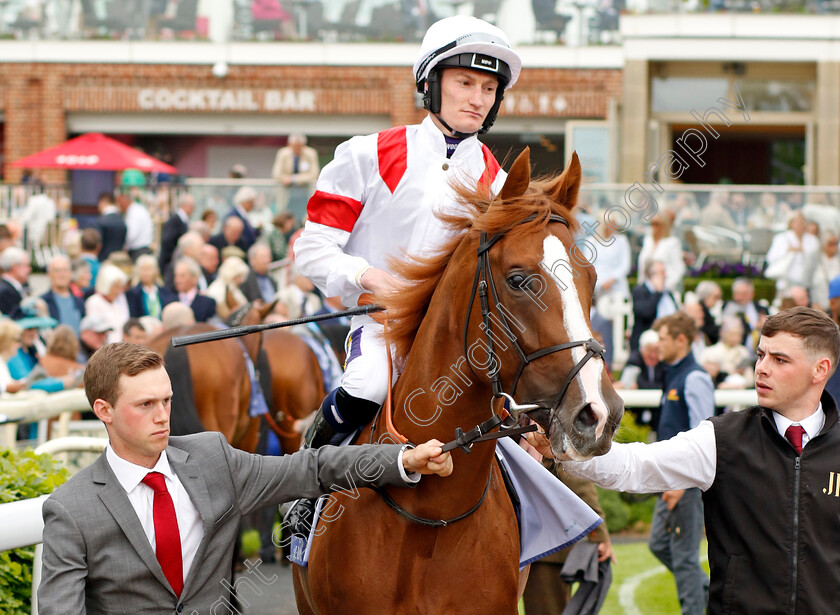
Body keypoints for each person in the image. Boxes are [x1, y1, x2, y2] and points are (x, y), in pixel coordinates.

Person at [38, 342, 453, 614]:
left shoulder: (212, 458)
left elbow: (309, 469)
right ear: (103, 410)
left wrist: (404, 459)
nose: (163, 415)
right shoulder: (71, 510)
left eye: (166, 400)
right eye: (145, 404)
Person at [294, 15, 520, 448]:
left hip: (463, 339)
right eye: (465, 83)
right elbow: (312, 248)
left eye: (489, 89)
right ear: (430, 84)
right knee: (367, 388)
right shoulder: (365, 154)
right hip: (383, 327)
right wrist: (368, 277)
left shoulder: (501, 185)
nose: (478, 99)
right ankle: (310, 480)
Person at [528, 306, 840, 614]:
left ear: (821, 369)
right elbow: (633, 466)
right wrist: (561, 447)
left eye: (779, 359)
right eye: (761, 355)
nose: (762, 368)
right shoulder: (723, 439)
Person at [629, 260, 678, 353]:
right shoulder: (640, 291)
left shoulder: (668, 293)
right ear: (651, 274)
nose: (665, 275)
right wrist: (657, 293)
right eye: (662, 272)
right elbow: (646, 313)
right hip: (646, 343)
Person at [766, 211, 820, 293]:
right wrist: (787, 250)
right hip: (787, 281)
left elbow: (818, 259)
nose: (800, 224)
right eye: (797, 222)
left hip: (808, 282)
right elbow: (770, 258)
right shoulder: (781, 238)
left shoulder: (812, 239)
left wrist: (803, 251)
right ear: (791, 223)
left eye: (802, 222)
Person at [272, 133, 320, 223]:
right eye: (295, 146)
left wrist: (293, 179)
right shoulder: (283, 153)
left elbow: (314, 174)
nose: (297, 149)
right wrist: (286, 179)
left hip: (305, 192)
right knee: (285, 213)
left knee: (305, 214)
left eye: (300, 146)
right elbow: (276, 174)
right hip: (287, 192)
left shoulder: (310, 153)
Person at [636, 211, 685, 294]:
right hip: (646, 289)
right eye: (651, 223)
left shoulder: (672, 243)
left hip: (664, 289)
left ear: (664, 225)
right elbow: (642, 266)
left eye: (656, 224)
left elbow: (679, 268)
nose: (653, 227)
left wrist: (665, 285)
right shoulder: (648, 241)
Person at [84, 263, 130, 345]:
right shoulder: (94, 302)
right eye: (116, 287)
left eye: (121, 287)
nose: (119, 291)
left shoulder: (119, 301)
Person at [41, 254, 86, 336]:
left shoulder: (79, 302)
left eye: (65, 270)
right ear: (49, 274)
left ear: (70, 274)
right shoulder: (43, 302)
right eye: (57, 270)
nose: (61, 274)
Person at [125, 254, 176, 320]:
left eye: (148, 269)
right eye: (143, 269)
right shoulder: (132, 294)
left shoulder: (165, 292)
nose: (146, 273)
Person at [159, 193, 195, 274]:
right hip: (170, 262)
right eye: (192, 206)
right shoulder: (175, 220)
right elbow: (167, 240)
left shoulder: (181, 220)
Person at [173, 257, 216, 323]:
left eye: (182, 276)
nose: (177, 280)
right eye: (176, 275)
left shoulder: (208, 302)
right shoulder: (169, 301)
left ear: (194, 278)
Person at [0, 247, 31, 319]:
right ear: (15, 267)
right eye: (26, 265)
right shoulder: (5, 291)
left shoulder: (15, 287)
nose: (29, 269)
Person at [94, 193, 126, 262]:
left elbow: (97, 243)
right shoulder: (122, 221)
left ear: (102, 202)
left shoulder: (101, 221)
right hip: (118, 261)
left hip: (103, 261)